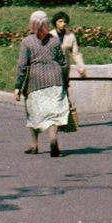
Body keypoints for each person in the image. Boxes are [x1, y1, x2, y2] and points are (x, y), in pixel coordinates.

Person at [14, 10, 70, 156]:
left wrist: (17, 86)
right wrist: (65, 82)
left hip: (35, 81)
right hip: (55, 79)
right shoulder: (55, 40)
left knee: (34, 112)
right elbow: (63, 63)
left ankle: (34, 145)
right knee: (53, 113)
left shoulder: (27, 42)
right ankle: (53, 139)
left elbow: (22, 65)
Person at [50, 11, 87, 79]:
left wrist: (81, 67)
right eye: (60, 22)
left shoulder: (71, 36)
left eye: (65, 22)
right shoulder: (50, 35)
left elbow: (76, 53)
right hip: (52, 67)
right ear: (55, 22)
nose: (63, 24)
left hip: (65, 67)